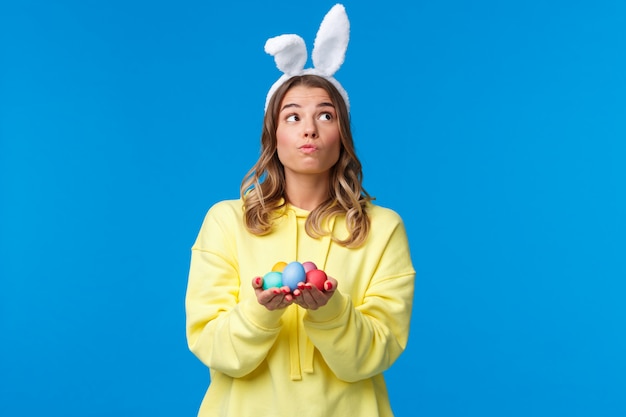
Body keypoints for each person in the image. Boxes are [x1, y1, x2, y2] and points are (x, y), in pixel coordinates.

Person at [185, 4, 415, 416]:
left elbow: (376, 353)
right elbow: (213, 347)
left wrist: (330, 310)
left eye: (325, 115)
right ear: (274, 136)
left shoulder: (383, 229)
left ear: (342, 135)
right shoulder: (225, 222)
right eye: (293, 116)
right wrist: (260, 311)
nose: (309, 128)